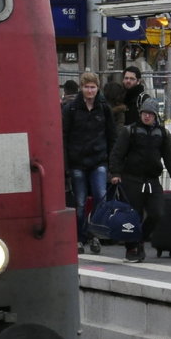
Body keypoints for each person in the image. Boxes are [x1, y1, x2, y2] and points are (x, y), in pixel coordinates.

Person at [109, 99, 171, 263]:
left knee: (157, 212)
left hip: (152, 180)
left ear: (155, 116)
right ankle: (132, 247)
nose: (147, 116)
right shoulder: (130, 131)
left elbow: (169, 158)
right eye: (144, 113)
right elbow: (117, 153)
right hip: (131, 179)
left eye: (150, 114)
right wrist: (115, 173)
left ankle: (140, 238)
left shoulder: (162, 133)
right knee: (132, 215)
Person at [63, 71, 117, 255]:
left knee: (100, 197)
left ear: (97, 88)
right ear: (81, 88)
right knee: (79, 201)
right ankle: (79, 237)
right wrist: (66, 164)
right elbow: (64, 135)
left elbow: (112, 135)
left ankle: (93, 233)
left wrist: (113, 162)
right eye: (86, 87)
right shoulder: (71, 109)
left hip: (98, 159)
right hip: (77, 160)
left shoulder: (104, 108)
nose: (90, 90)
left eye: (93, 87)